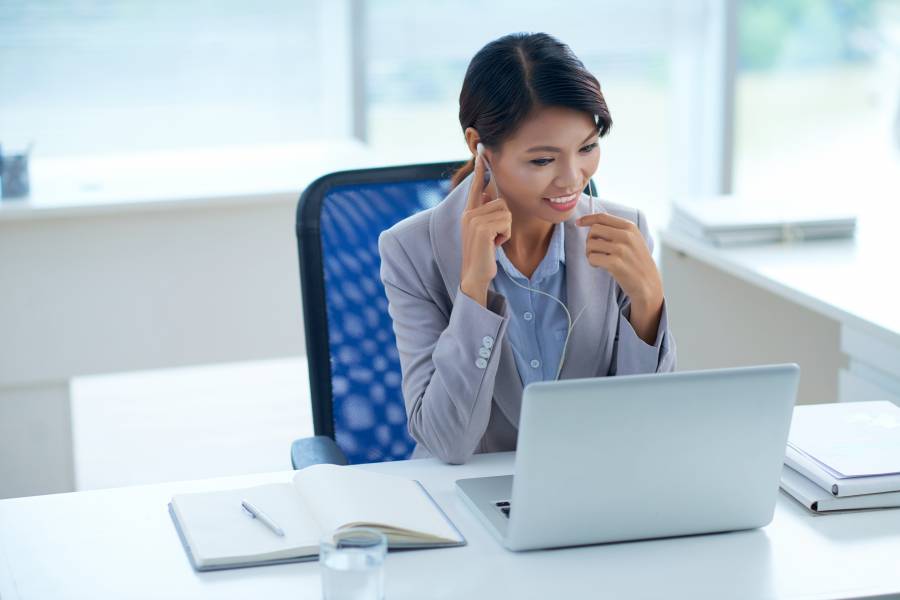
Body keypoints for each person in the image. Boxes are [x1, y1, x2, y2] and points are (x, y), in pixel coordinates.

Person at [378, 32, 676, 464]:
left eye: (587, 148)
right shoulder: (410, 251)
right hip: (467, 497)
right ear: (477, 145)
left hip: (593, 488)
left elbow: (647, 427)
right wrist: (474, 289)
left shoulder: (625, 232)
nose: (573, 178)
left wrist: (648, 301)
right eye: (542, 160)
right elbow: (447, 443)